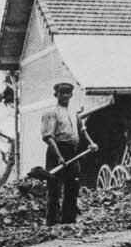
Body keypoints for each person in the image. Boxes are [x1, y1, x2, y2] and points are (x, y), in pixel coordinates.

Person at [40, 82, 97, 225]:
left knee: (72, 185)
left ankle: (68, 220)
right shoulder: (51, 113)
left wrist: (91, 142)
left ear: (71, 95)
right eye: (62, 93)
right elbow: (48, 137)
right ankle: (52, 221)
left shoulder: (73, 113)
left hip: (72, 151)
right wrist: (59, 157)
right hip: (56, 151)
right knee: (54, 188)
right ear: (56, 95)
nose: (65, 96)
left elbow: (82, 129)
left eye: (68, 93)